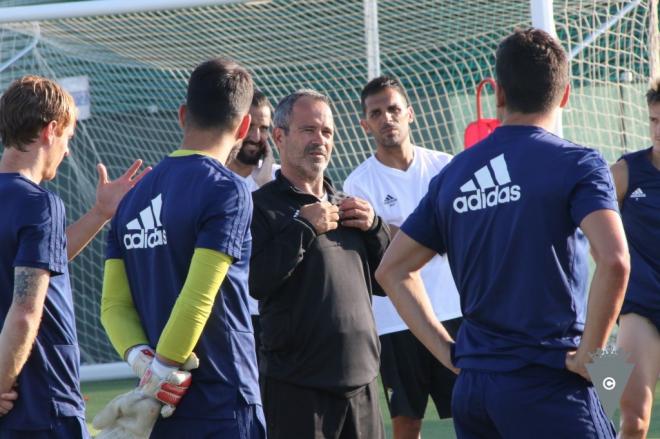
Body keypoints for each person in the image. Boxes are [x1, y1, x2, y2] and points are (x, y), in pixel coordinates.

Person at [376, 28, 630, 439]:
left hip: (475, 391)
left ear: (499, 94)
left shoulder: (453, 175)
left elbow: (391, 271)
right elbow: (616, 261)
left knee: (624, 391)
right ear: (564, 95)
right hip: (548, 382)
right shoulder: (578, 163)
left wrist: (450, 354)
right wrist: (592, 355)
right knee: (621, 392)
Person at [100, 58, 265, 438]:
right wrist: (160, 376)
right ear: (243, 126)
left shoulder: (130, 199)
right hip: (221, 400)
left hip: (162, 409)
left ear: (182, 115)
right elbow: (198, 297)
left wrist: (145, 368)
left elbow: (113, 306)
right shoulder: (228, 189)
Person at [0, 75, 149, 438]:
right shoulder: (40, 204)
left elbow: (38, 264)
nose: (67, 151)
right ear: (50, 130)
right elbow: (24, 312)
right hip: (37, 405)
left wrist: (99, 213)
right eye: (67, 138)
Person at [249, 89, 390, 439]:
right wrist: (302, 228)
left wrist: (375, 229)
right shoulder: (258, 207)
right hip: (297, 389)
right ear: (279, 136)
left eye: (326, 132)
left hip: (362, 383)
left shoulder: (351, 209)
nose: (320, 140)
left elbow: (387, 282)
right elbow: (257, 280)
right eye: (309, 130)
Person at [343, 75, 462, 439]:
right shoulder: (357, 184)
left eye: (394, 109)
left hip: (455, 311)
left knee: (472, 407)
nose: (386, 118)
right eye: (376, 113)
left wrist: (390, 230)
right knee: (406, 423)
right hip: (395, 321)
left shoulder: (447, 167)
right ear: (365, 124)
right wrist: (421, 235)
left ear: (410, 114)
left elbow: (457, 232)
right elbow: (379, 254)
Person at [611, 77, 660, 439]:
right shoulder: (626, 172)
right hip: (639, 309)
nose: (658, 129)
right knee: (633, 419)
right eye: (654, 120)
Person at [227, 89, 276, 356]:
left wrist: (266, 186)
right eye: (251, 127)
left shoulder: (279, 179)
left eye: (264, 128)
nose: (256, 137)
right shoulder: (213, 179)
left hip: (274, 312)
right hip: (231, 313)